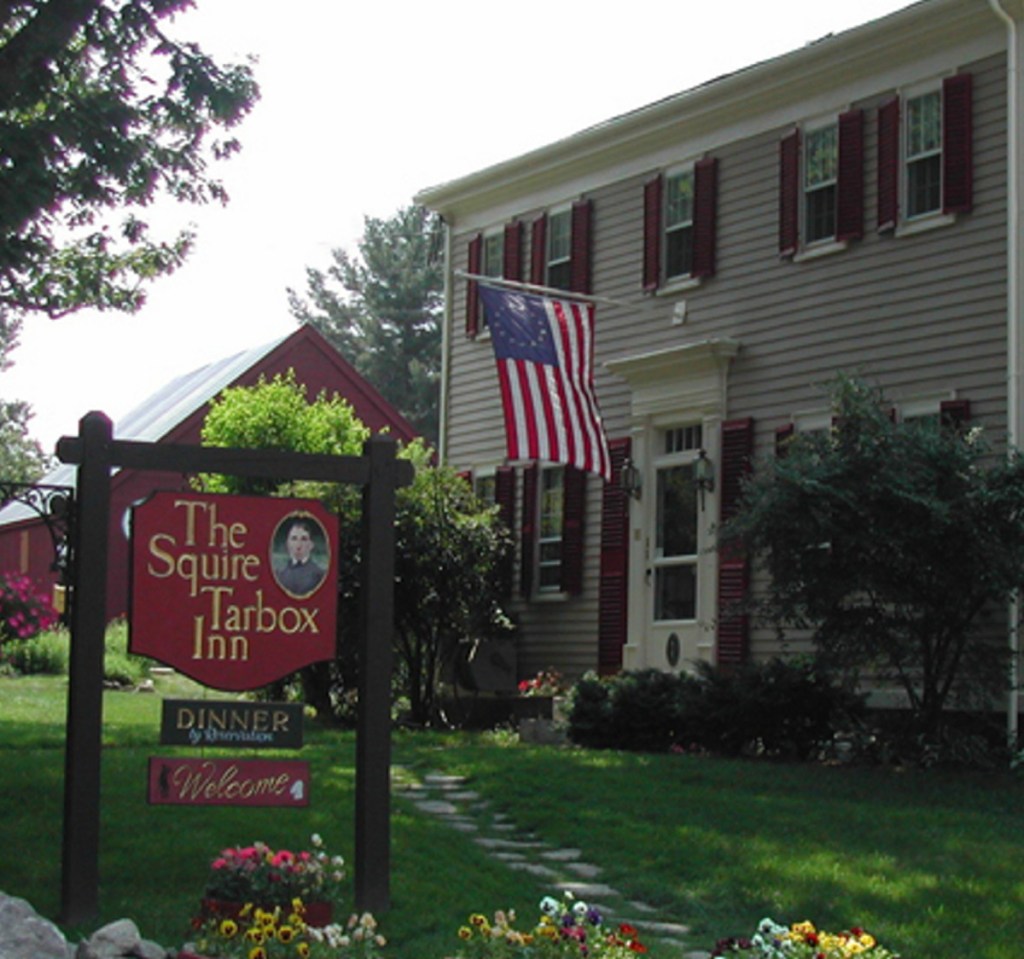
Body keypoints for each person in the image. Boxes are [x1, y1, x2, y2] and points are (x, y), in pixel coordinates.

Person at [275, 517, 326, 596]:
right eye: (294, 539)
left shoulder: (320, 575)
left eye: (304, 539)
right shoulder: (279, 575)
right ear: (287, 544)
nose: (298, 545)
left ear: (311, 545)